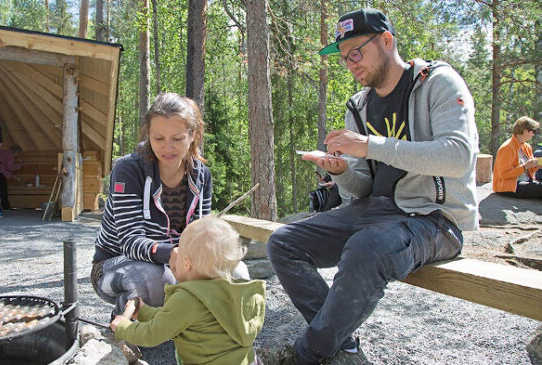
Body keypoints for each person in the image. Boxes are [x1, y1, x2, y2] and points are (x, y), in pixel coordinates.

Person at [266, 8, 479, 364]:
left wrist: (369, 145)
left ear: (386, 41)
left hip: (434, 219)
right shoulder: (360, 106)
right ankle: (343, 347)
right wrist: (340, 172)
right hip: (376, 212)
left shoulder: (437, 82)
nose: (350, 63)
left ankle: (307, 354)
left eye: (356, 52)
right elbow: (361, 191)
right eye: (344, 57)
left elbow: (458, 156)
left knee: (367, 248)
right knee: (283, 242)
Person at [91, 92, 249, 319]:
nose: (167, 148)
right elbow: (129, 241)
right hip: (116, 264)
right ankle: (124, 328)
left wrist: (207, 259)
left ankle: (209, 336)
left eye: (177, 139)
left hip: (177, 262)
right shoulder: (128, 170)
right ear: (149, 135)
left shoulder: (201, 175)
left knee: (238, 274)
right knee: (156, 280)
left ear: (192, 135)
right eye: (158, 138)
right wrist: (172, 255)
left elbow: (200, 234)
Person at [110, 216, 266, 365]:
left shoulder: (188, 299)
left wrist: (124, 328)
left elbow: (153, 333)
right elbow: (175, 318)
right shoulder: (232, 294)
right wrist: (144, 312)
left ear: (186, 263)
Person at [493, 116, 541, 198]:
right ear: (525, 131)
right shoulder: (507, 147)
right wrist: (525, 166)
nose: (534, 134)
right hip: (509, 186)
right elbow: (503, 174)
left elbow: (530, 169)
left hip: (525, 181)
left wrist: (537, 164)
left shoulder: (526, 146)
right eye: (533, 131)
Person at [0, 144, 23, 210]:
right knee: (3, 191)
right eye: (18, 153)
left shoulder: (2, 152)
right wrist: (19, 166)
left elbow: (3, 167)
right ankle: (6, 206)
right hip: (0, 175)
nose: (17, 155)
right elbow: (9, 167)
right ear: (16, 151)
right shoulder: (10, 154)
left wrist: (15, 178)